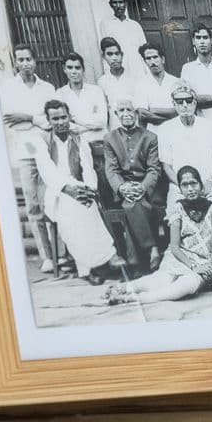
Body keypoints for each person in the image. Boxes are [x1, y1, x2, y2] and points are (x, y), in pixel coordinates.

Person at [32, 101, 123, 285]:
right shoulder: (39, 140)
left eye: (63, 117)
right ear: (49, 120)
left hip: (80, 188)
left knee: (88, 207)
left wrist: (89, 189)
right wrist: (68, 189)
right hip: (55, 192)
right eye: (55, 118)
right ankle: (89, 267)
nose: (60, 122)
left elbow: (87, 167)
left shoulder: (79, 139)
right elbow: (46, 170)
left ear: (69, 116)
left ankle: (101, 261)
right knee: (72, 211)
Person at [107, 165, 212, 307]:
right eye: (185, 185)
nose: (190, 189)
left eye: (193, 183)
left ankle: (136, 298)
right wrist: (193, 266)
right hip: (180, 258)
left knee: (189, 285)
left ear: (201, 184)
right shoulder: (178, 208)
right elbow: (174, 247)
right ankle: (125, 288)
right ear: (179, 188)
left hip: (203, 261)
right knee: (161, 281)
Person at [0, 42, 58, 273]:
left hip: (46, 147)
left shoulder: (48, 88)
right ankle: (47, 257)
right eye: (20, 60)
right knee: (33, 204)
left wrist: (29, 118)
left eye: (28, 59)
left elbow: (49, 119)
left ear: (35, 60)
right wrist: (36, 118)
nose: (25, 64)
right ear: (16, 62)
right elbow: (10, 118)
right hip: (24, 150)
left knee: (50, 200)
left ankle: (61, 253)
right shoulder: (8, 88)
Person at [100, 96, 163, 271]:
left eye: (130, 110)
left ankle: (134, 260)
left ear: (136, 113)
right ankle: (153, 249)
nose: (126, 114)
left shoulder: (150, 137)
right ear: (116, 114)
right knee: (132, 203)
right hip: (124, 186)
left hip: (148, 188)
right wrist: (122, 187)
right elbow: (111, 169)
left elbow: (153, 169)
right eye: (122, 110)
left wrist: (143, 187)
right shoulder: (110, 138)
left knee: (131, 205)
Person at [155, 83, 212, 204]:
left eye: (189, 100)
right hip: (180, 186)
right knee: (174, 217)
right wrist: (183, 185)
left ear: (194, 103)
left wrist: (210, 182)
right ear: (174, 104)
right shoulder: (165, 129)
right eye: (179, 102)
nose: (185, 105)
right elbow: (167, 167)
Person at [54, 51, 108, 139]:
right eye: (70, 68)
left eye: (77, 68)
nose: (74, 71)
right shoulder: (60, 94)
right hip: (76, 142)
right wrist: (90, 126)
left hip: (99, 140)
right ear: (64, 69)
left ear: (83, 69)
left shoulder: (96, 91)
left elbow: (102, 121)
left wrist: (74, 119)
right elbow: (63, 124)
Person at [102, 0, 149, 79]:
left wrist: (147, 72)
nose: (118, 6)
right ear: (111, 5)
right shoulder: (106, 24)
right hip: (119, 68)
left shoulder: (135, 25)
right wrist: (108, 73)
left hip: (137, 67)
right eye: (115, 3)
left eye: (121, 2)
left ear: (125, 3)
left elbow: (144, 51)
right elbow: (105, 52)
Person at [133, 42, 182, 128]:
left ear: (162, 59)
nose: (152, 62)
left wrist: (153, 110)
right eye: (148, 58)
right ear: (145, 62)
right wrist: (170, 119)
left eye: (155, 57)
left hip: (176, 131)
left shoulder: (176, 82)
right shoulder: (141, 85)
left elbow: (180, 110)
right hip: (153, 134)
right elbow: (143, 114)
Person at [96, 37, 136, 131]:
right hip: (114, 129)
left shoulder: (134, 79)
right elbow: (103, 110)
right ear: (104, 57)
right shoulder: (102, 82)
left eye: (117, 54)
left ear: (121, 55)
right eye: (109, 54)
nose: (114, 58)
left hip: (135, 128)